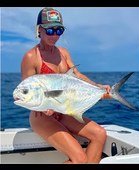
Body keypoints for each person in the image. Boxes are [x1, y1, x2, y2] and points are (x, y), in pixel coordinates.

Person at [21, 7, 111, 164]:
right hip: (42, 116)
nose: (54, 35)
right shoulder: (31, 57)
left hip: (64, 110)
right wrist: (42, 108)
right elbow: (26, 91)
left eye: (59, 30)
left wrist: (99, 87)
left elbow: (78, 76)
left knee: (100, 134)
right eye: (50, 30)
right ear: (39, 30)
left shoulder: (63, 52)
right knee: (80, 159)